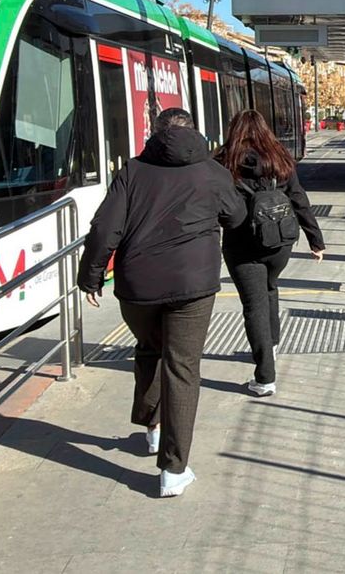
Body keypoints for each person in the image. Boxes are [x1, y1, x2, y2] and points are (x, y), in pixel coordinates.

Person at [79, 107, 245, 498]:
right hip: (193, 284)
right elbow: (236, 217)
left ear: (154, 133)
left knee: (150, 349)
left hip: (138, 285)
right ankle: (173, 470)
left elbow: (105, 228)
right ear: (195, 132)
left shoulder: (132, 171)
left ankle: (152, 428)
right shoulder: (212, 171)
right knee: (183, 368)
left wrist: (91, 275)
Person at [218, 109, 325, 398]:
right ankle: (272, 345)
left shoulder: (222, 161)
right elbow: (299, 199)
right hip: (279, 241)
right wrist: (316, 240)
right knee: (270, 287)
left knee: (254, 306)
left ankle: (264, 376)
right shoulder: (280, 160)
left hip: (241, 244)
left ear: (234, 130)